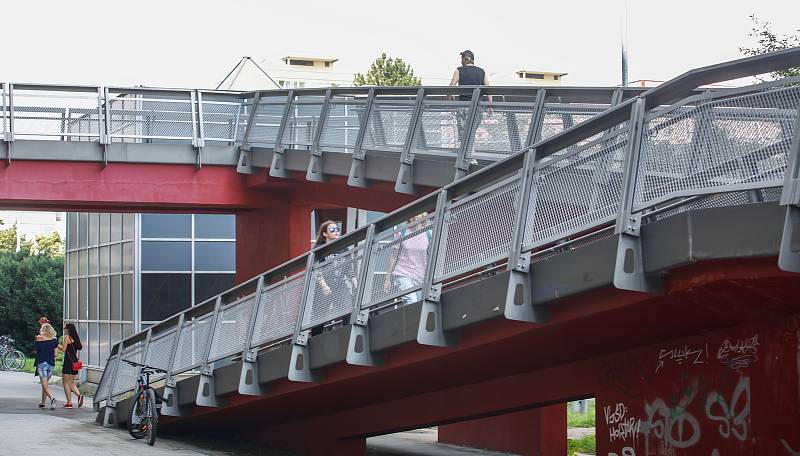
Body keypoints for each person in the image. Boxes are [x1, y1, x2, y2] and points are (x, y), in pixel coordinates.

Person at [312, 221, 356, 329]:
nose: (336, 231)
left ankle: (347, 334)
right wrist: (324, 286)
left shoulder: (344, 249)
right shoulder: (319, 249)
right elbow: (317, 269)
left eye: (337, 229)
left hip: (339, 285)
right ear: (325, 234)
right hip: (323, 287)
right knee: (319, 319)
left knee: (348, 311)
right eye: (332, 230)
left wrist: (356, 284)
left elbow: (350, 270)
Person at [384, 213, 432, 306]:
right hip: (403, 273)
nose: (415, 216)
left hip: (421, 276)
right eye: (414, 213)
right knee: (411, 301)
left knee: (420, 304)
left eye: (419, 213)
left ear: (423, 216)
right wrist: (387, 278)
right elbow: (394, 255)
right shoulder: (401, 233)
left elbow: (432, 254)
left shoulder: (428, 233)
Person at [58, 323, 84, 408]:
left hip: (68, 362)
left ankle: (69, 403)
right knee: (71, 382)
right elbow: (79, 347)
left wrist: (57, 345)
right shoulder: (76, 338)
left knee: (65, 382)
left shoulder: (67, 337)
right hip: (75, 362)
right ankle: (79, 395)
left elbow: (63, 349)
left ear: (68, 329)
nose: (64, 330)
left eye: (65, 328)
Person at [34, 323, 58, 410]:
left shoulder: (39, 340)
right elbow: (56, 354)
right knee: (45, 385)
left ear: (43, 330)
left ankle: (52, 398)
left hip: (41, 364)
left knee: (44, 384)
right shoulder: (54, 340)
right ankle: (43, 403)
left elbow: (35, 351)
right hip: (51, 364)